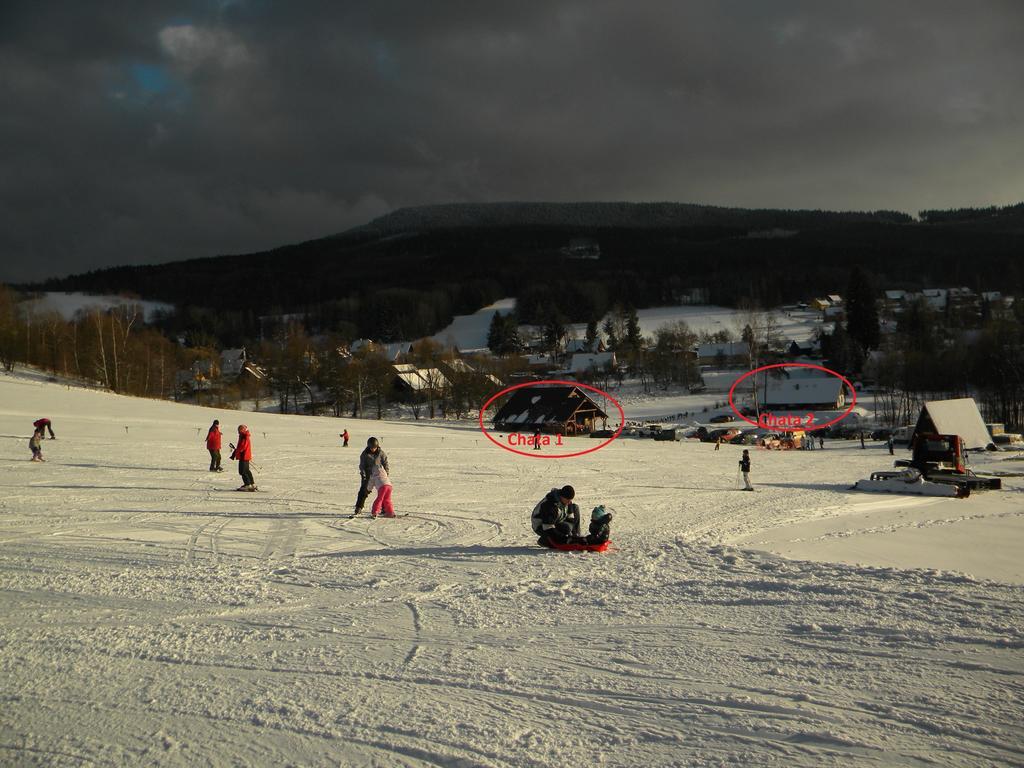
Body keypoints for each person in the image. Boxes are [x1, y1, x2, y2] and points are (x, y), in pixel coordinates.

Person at [354, 437, 388, 514]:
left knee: (382, 490)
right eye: (372, 448)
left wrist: (386, 473)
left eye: (375, 447)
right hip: (368, 474)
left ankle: (384, 507)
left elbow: (385, 462)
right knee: (364, 490)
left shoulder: (381, 453)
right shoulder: (365, 454)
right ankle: (359, 507)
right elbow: (362, 465)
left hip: (379, 474)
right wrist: (363, 474)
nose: (373, 449)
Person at [229, 424, 256, 491]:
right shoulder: (245, 435)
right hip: (246, 456)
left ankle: (247, 485)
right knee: (246, 470)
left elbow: (242, 447)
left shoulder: (244, 436)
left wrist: (237, 451)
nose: (238, 432)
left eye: (239, 430)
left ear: (242, 430)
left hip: (243, 456)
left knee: (242, 471)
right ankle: (251, 484)